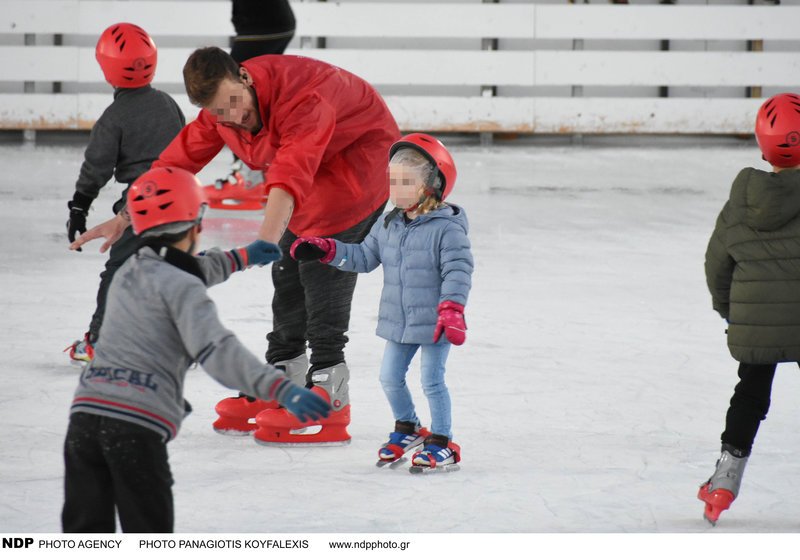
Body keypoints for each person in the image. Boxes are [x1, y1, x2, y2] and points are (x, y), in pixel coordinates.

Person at [71, 46, 401, 444]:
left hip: (356, 170)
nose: (233, 119)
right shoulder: (221, 111)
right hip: (312, 180)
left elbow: (290, 172)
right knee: (288, 278)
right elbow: (176, 163)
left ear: (244, 77)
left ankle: (331, 392)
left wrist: (265, 239)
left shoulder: (304, 99)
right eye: (219, 113)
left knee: (321, 274)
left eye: (234, 105)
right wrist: (126, 215)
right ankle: (286, 379)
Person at [62, 167, 330, 533]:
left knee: (85, 534)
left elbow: (185, 268)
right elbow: (219, 352)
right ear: (196, 225)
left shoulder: (131, 270)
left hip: (85, 419)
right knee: (149, 532)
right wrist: (280, 388)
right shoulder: (184, 289)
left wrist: (243, 257)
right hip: (135, 426)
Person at [290, 134, 473, 470]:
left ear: (430, 185)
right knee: (389, 377)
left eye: (405, 182)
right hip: (399, 320)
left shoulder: (447, 229)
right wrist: (328, 250)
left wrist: (452, 309)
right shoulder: (388, 222)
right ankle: (408, 427)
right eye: (391, 180)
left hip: (435, 322)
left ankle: (442, 440)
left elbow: (458, 271)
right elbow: (363, 256)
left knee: (432, 381)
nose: (395, 189)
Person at [700, 92, 800, 524]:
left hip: (757, 323)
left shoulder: (742, 202)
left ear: (763, 146)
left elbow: (716, 264)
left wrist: (732, 312)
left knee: (751, 393)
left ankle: (724, 480)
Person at [64, 23, 185, 363]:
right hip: (183, 201)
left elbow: (96, 168)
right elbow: (186, 146)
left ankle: (100, 341)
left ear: (106, 69)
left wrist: (79, 207)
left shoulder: (113, 117)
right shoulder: (167, 104)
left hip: (142, 206)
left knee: (118, 274)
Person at [215, 0, 297, 192]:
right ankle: (265, 170)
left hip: (261, 26)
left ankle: (250, 176)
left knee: (231, 92)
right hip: (272, 23)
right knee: (258, 92)